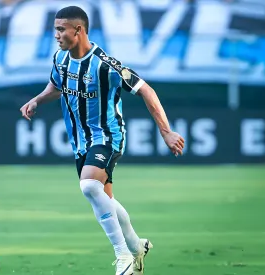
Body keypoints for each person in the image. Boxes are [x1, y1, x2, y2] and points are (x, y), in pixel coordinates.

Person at [19, 5, 185, 275]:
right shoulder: (60, 59)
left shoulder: (105, 65)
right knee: (103, 197)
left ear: (78, 30)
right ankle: (136, 246)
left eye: (61, 29)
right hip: (80, 142)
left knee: (88, 186)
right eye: (55, 29)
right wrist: (37, 100)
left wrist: (166, 130)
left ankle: (124, 257)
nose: (56, 35)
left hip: (108, 136)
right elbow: (56, 86)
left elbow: (146, 89)